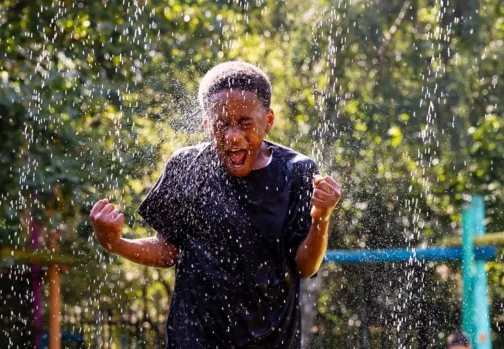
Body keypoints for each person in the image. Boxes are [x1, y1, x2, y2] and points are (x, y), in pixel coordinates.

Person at [90, 61, 341, 348]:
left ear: (268, 120)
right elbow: (167, 251)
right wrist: (115, 243)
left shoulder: (296, 171)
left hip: (273, 342)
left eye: (245, 123)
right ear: (207, 124)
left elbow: (305, 267)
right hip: (194, 340)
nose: (233, 136)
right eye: (222, 124)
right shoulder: (187, 166)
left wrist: (321, 217)